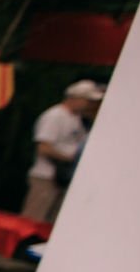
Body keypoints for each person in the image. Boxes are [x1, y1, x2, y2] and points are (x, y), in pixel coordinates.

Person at [21, 80, 103, 222]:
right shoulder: (55, 115)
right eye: (88, 100)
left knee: (52, 221)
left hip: (63, 179)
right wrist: (70, 159)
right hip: (46, 177)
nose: (91, 104)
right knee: (33, 220)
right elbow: (43, 147)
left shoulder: (79, 119)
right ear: (75, 98)